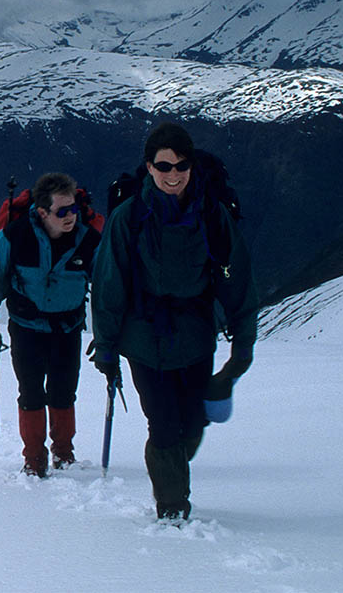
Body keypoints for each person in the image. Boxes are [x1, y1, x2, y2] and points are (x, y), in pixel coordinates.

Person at [90, 122, 258, 520]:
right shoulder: (128, 218)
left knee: (192, 419)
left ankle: (173, 475)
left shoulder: (212, 216)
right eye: (164, 165)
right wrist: (107, 347)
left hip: (196, 335)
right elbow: (109, 284)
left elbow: (237, 278)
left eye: (181, 164)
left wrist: (244, 341)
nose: (173, 174)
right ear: (149, 167)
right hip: (144, 338)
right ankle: (172, 507)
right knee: (163, 425)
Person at [0, 172, 102, 477]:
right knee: (31, 392)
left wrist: (107, 331)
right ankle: (34, 457)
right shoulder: (16, 236)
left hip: (67, 329)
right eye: (62, 211)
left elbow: (108, 286)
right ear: (42, 212)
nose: (70, 217)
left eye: (72, 208)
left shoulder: (88, 240)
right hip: (26, 328)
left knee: (63, 392)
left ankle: (63, 452)